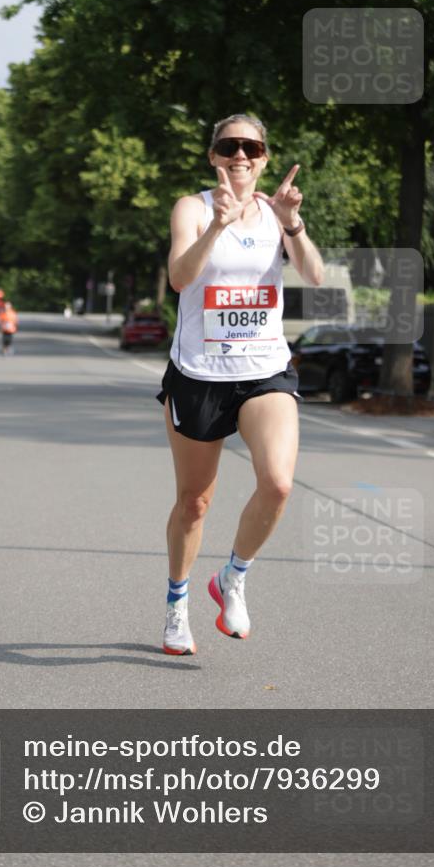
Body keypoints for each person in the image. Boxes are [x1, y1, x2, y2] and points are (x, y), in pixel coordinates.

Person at [157, 114, 324, 655]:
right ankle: (177, 605)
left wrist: (292, 223)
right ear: (213, 156)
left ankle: (233, 576)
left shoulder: (277, 214)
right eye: (229, 146)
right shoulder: (193, 207)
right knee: (194, 503)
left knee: (277, 484)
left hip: (264, 370)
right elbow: (180, 278)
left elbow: (315, 275)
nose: (240, 155)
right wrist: (217, 227)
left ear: (265, 157)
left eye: (251, 147)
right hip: (199, 374)